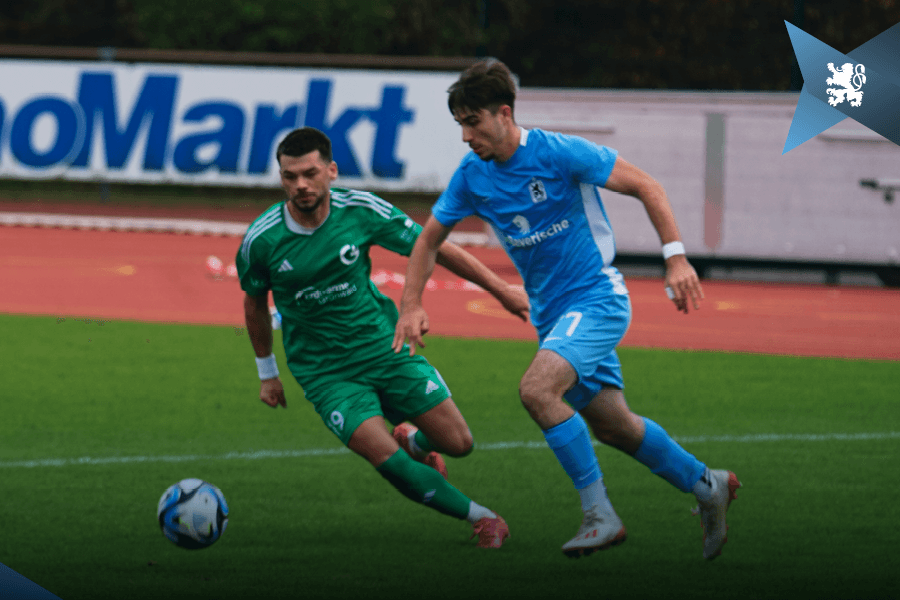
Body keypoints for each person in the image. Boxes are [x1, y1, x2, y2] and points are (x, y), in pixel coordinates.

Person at [393, 59, 741, 560]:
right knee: (615, 426)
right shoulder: (472, 176)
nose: (466, 136)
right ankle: (708, 484)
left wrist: (676, 257)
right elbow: (428, 242)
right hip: (554, 319)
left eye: (473, 122)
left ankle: (601, 515)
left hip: (596, 300)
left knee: (537, 390)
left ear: (504, 114)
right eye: (460, 125)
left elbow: (648, 185)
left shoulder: (558, 152)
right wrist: (411, 304)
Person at [235, 126, 530, 549]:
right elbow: (253, 304)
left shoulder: (360, 210)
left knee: (459, 443)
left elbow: (433, 245)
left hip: (384, 347)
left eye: (310, 173)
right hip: (326, 372)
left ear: (331, 171)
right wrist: (268, 373)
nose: (300, 184)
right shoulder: (262, 241)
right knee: (383, 457)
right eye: (289, 176)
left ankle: (413, 438)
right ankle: (482, 518)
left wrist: (502, 290)